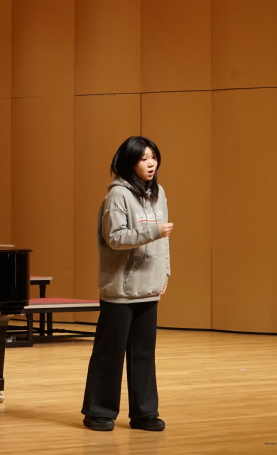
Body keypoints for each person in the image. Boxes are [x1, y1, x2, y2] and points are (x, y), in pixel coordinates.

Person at [81, 136, 173, 432]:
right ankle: (98, 411)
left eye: (153, 157)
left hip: (149, 286)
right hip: (121, 288)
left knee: (144, 353)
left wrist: (165, 273)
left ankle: (145, 413)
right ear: (129, 163)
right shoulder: (117, 197)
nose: (151, 163)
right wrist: (153, 231)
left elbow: (164, 242)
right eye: (143, 158)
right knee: (110, 352)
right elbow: (115, 238)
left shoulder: (159, 193)